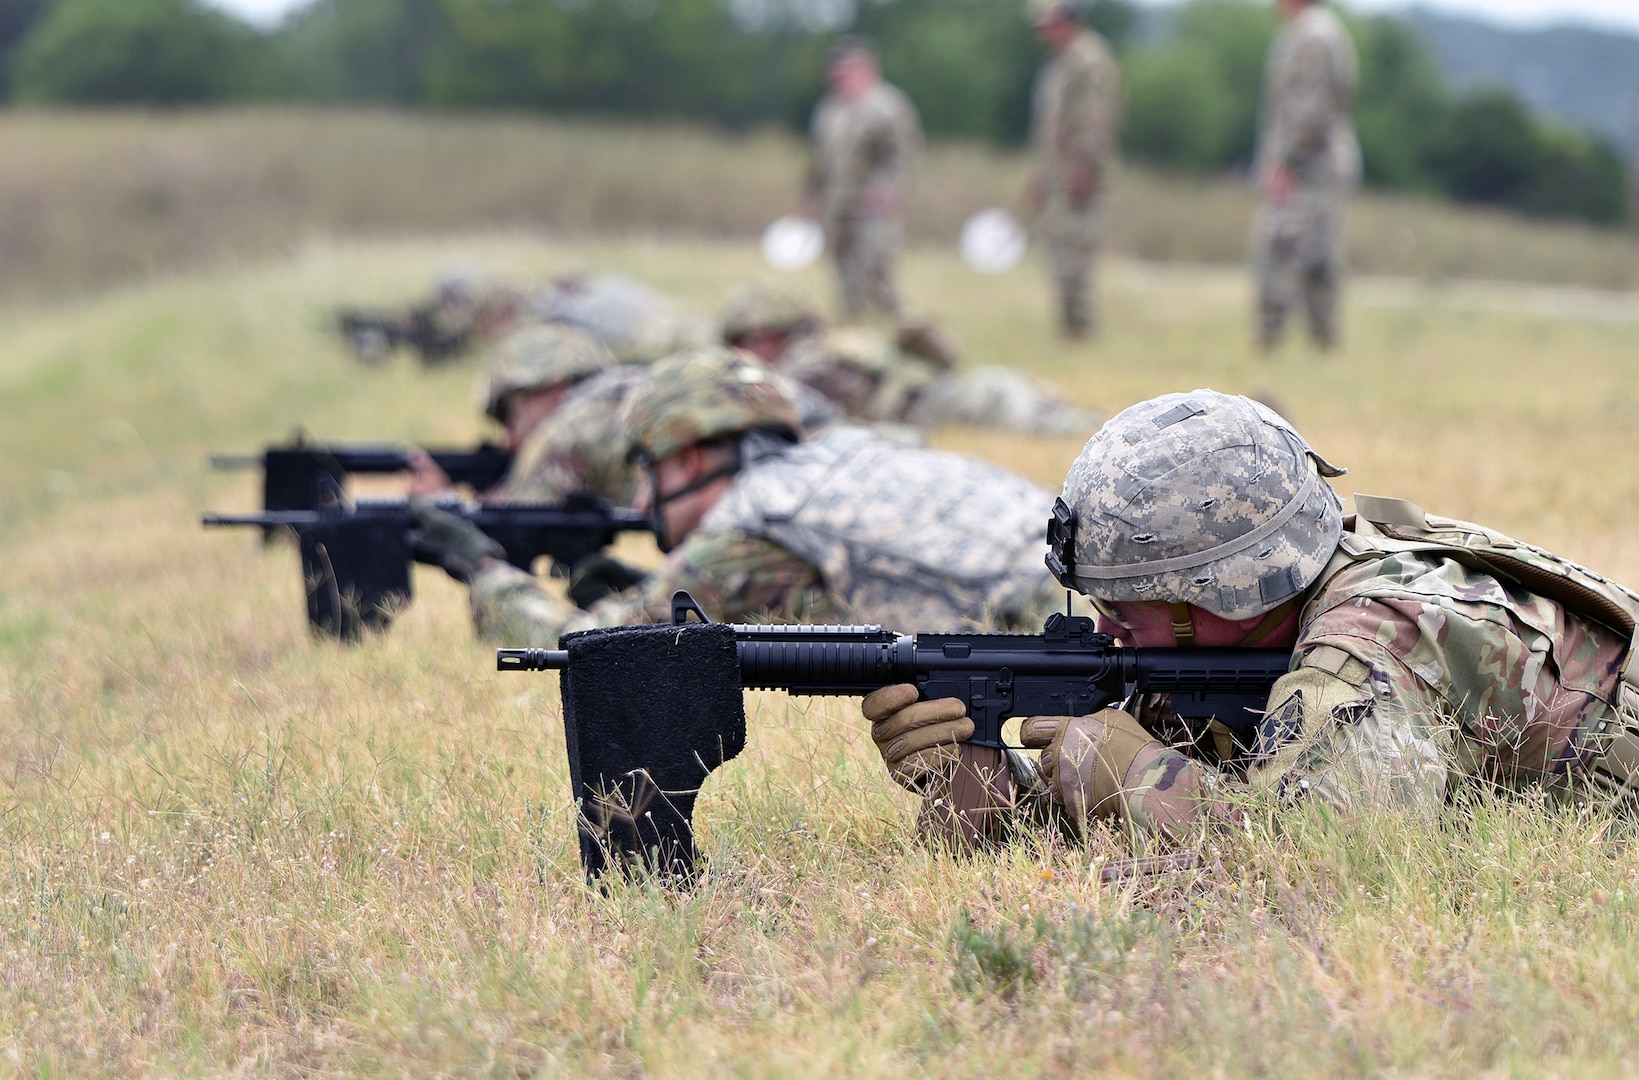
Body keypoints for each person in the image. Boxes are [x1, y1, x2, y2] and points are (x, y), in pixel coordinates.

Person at [865, 389, 1639, 844]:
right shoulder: (1223, 636)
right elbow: (1218, 787)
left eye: (1122, 603)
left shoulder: (1375, 637)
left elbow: (1320, 863)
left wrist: (1138, 777)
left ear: (1221, 588)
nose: (1105, 628)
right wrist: (991, 789)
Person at [408, 347, 1062, 644]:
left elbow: (578, 647)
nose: (639, 504)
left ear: (688, 455)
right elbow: (812, 605)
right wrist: (653, 586)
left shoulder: (749, 523)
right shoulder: (843, 458)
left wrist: (483, 570)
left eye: (646, 470)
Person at [408, 323, 644, 505]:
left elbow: (498, 551)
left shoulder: (564, 435)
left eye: (510, 415)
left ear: (555, 389)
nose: (507, 440)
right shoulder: (633, 397)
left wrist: (446, 506)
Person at [1250, 0, 1360, 350]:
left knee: (1283, 251)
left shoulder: (1314, 36)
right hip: (1313, 167)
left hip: (1308, 169)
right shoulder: (1312, 32)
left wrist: (1286, 162)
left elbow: (1311, 109)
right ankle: (1321, 341)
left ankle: (1277, 339)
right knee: (1316, 255)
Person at [780, 322, 1106, 436]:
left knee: (1058, 421)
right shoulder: (814, 368)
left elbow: (942, 353)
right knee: (1061, 421)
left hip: (960, 395)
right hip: (964, 395)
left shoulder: (819, 362)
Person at [803, 40, 922, 322]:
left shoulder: (888, 106)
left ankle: (897, 321)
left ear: (866, 70)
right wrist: (810, 195)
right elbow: (820, 159)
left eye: (846, 71)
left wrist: (887, 188)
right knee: (840, 264)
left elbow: (902, 156)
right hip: (837, 200)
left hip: (870, 202)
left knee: (874, 265)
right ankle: (849, 318)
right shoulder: (829, 109)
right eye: (835, 72)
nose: (839, 78)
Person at [1026, 0, 1123, 340]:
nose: (1043, 31)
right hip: (1059, 175)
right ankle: (1069, 327)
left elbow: (1096, 120)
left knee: (1076, 253)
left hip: (1079, 177)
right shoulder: (1061, 63)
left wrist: (1085, 167)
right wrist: (1042, 175)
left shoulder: (1089, 60)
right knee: (1059, 251)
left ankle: (1080, 328)